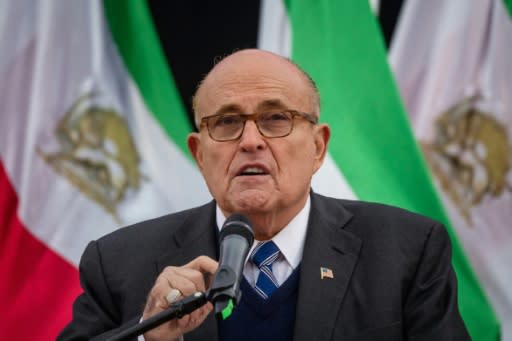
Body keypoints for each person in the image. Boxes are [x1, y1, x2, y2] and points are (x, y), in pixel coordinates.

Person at [58, 49, 470, 340]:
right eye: (226, 122)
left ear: (318, 147)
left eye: (276, 118)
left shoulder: (406, 251)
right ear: (200, 154)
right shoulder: (119, 265)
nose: (250, 140)